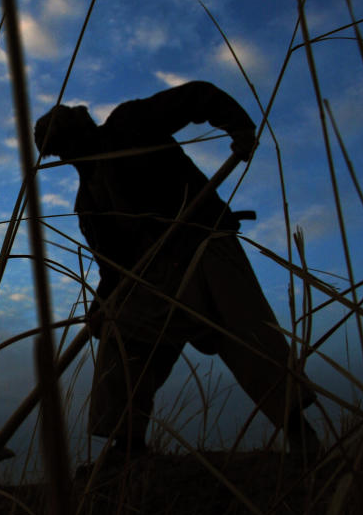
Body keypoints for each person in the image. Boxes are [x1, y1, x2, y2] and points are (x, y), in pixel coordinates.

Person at [34, 81, 319, 460]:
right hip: (155, 279)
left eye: (68, 143)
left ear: (83, 128)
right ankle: (128, 447)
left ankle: (300, 433)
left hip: (204, 246)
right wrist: (102, 303)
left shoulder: (129, 125)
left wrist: (238, 126)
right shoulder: (88, 201)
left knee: (250, 336)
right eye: (60, 152)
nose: (69, 155)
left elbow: (196, 96)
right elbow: (114, 267)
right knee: (123, 341)